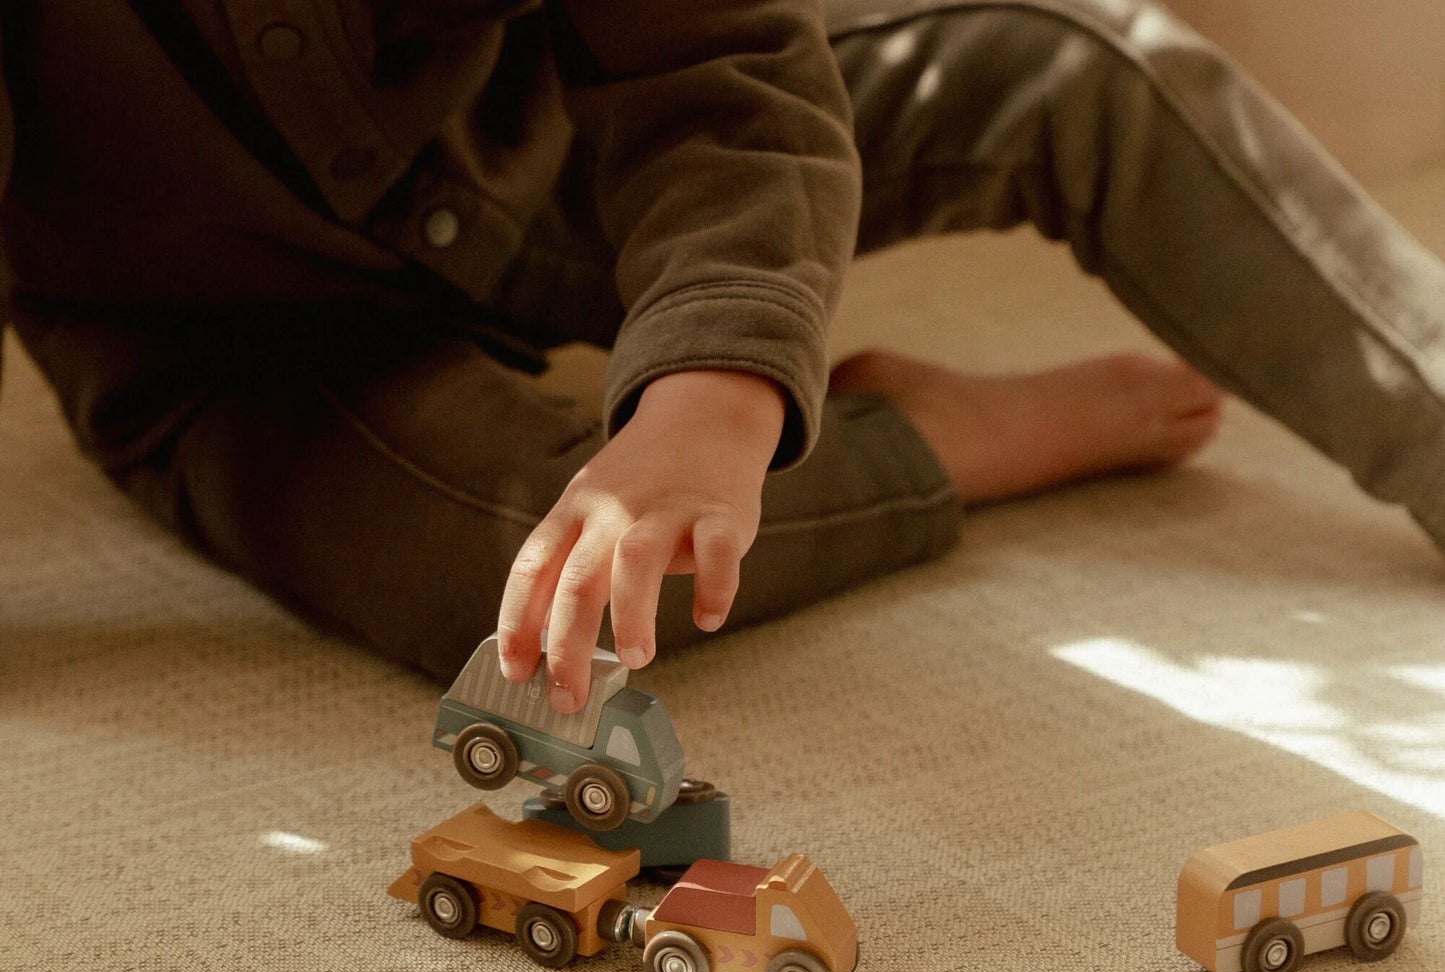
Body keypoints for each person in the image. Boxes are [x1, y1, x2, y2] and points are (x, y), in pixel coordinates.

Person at [3, 0, 1442, 712]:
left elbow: (719, 73)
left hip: (577, 162)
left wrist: (714, 385)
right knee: (511, 583)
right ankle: (932, 440)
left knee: (1086, 71)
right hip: (234, 330)